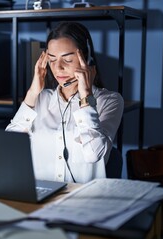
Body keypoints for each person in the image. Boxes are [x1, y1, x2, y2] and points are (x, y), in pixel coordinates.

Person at [6, 21, 123, 183]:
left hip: (85, 201)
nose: (58, 68)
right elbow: (10, 148)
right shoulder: (40, 99)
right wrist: (32, 93)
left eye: (67, 60)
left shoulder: (110, 101)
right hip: (41, 198)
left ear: (87, 60)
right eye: (52, 60)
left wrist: (85, 96)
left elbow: (93, 154)